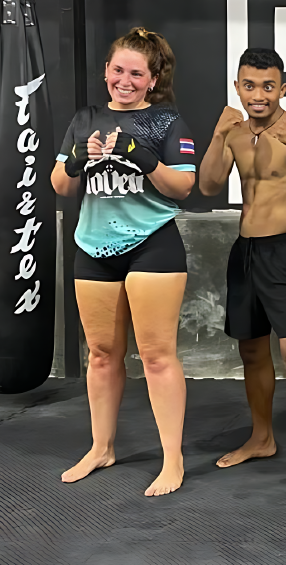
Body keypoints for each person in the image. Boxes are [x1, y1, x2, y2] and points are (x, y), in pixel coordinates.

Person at [50, 27, 196, 497]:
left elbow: (184, 187)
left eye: (137, 73)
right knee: (101, 354)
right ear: (107, 72)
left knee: (155, 356)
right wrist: (75, 158)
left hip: (153, 245)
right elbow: (61, 186)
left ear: (153, 79)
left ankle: (172, 460)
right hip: (93, 247)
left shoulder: (166, 122)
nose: (125, 80)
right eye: (118, 70)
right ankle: (101, 447)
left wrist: (143, 156)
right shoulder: (86, 118)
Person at [198, 48, 286, 492]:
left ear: (282, 89)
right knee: (252, 352)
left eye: (268, 86)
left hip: (285, 249)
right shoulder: (233, 132)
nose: (259, 95)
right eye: (250, 85)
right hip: (245, 251)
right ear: (238, 86)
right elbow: (209, 185)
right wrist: (217, 138)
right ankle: (261, 437)